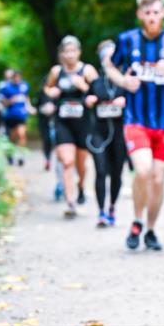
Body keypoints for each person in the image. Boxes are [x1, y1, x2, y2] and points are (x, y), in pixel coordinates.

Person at [103, 0, 164, 251]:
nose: (151, 17)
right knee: (143, 170)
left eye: (156, 12)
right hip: (136, 119)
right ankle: (137, 221)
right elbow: (109, 65)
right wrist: (123, 81)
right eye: (147, 12)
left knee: (158, 178)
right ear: (139, 14)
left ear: (163, 13)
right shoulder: (127, 40)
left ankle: (151, 230)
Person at [44, 36, 98, 218]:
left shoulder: (87, 70)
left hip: (83, 123)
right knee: (67, 162)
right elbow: (47, 89)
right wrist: (52, 93)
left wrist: (83, 86)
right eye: (66, 52)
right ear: (61, 54)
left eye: (73, 51)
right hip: (63, 122)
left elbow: (99, 91)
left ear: (79, 52)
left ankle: (81, 186)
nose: (70, 55)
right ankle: (70, 202)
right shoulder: (56, 71)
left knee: (81, 163)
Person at [85, 40, 128, 228]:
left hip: (120, 133)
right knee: (101, 171)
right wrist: (89, 100)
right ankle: (101, 211)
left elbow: (137, 101)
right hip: (98, 132)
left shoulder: (126, 81)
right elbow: (83, 99)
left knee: (117, 173)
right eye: (105, 57)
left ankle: (112, 207)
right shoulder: (95, 82)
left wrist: (125, 101)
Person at [0, 70, 35, 166]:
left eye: (19, 77)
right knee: (12, 137)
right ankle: (10, 154)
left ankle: (21, 155)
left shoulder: (24, 86)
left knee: (22, 134)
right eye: (15, 77)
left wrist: (29, 107)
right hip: (10, 116)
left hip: (21, 115)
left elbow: (26, 98)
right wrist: (11, 101)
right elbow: (2, 102)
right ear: (12, 78)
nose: (17, 79)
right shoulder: (6, 88)